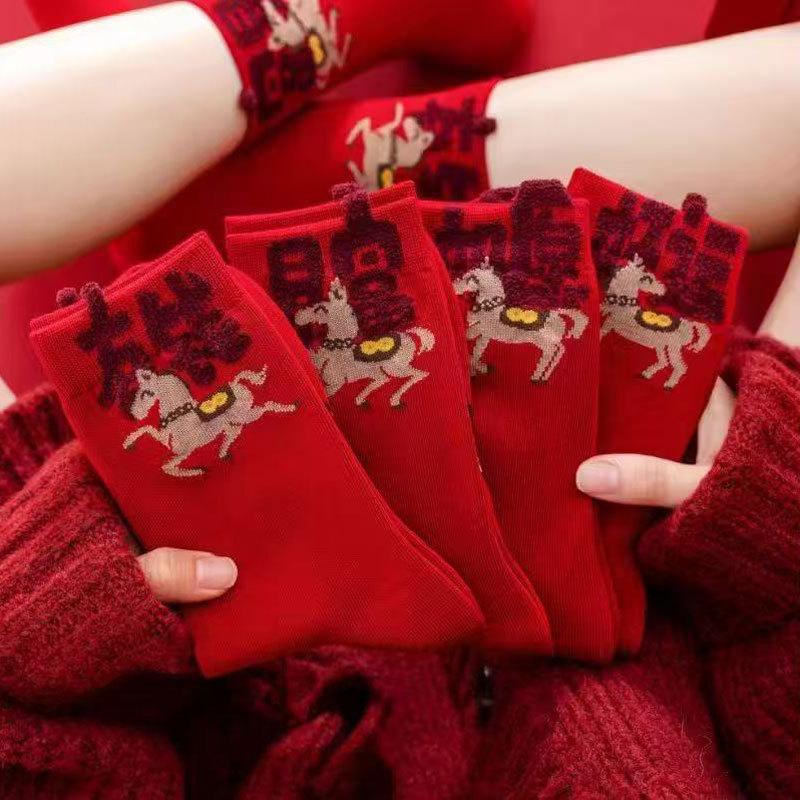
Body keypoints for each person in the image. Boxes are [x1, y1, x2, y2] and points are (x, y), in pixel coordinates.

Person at [0, 5, 797, 797]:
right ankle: (379, 152)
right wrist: (771, 518)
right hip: (675, 607)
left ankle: (346, 99)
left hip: (191, 637)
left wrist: (36, 623)